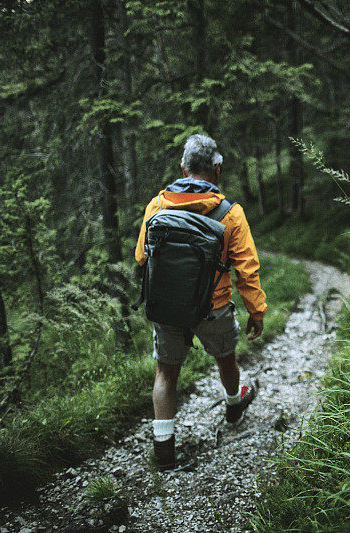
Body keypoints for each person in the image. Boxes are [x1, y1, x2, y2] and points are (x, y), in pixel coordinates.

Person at [134, 134, 266, 470]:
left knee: (166, 374)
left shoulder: (156, 206)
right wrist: (256, 311)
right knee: (225, 359)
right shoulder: (230, 214)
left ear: (183, 168)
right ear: (217, 169)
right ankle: (234, 405)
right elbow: (246, 269)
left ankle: (164, 450)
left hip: (167, 307)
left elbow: (141, 258)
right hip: (214, 307)